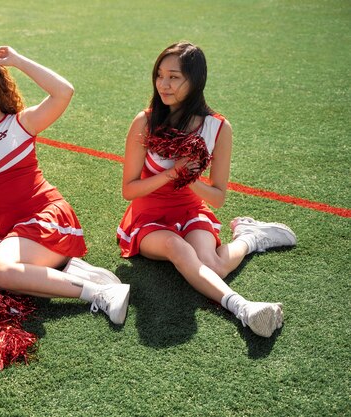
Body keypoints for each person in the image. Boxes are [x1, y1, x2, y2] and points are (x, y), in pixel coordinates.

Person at [0, 46, 130, 324]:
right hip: (11, 232)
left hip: (46, 217)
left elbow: (64, 91)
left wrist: (17, 60)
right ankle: (70, 272)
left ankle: (100, 292)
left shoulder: (21, 123)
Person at [117, 42, 296, 337]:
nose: (164, 84)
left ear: (196, 80)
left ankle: (250, 238)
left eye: (174, 77)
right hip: (148, 219)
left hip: (189, 210)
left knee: (213, 265)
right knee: (178, 247)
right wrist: (172, 172)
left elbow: (218, 197)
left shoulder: (218, 128)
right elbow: (129, 189)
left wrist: (191, 178)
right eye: (159, 75)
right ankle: (243, 308)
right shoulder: (145, 121)